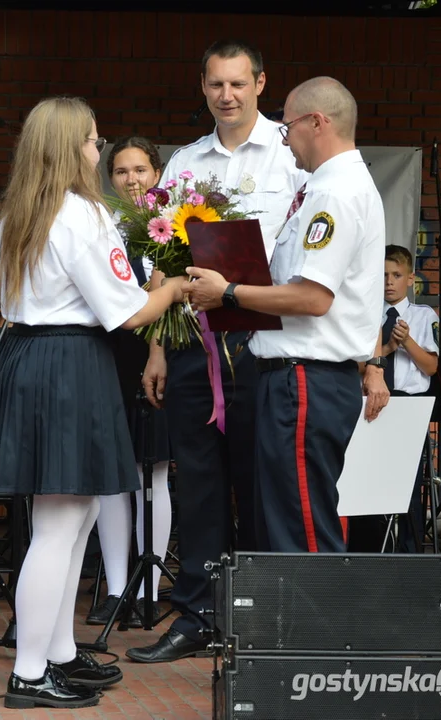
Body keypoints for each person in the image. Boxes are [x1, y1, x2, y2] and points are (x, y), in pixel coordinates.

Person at [0, 97, 183, 709]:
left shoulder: (21, 211)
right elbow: (128, 311)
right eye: (94, 143)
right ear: (72, 149)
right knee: (61, 524)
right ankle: (31, 671)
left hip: (32, 357)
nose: (100, 152)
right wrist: (172, 285)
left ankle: (59, 651)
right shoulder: (81, 214)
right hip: (68, 362)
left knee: (77, 517)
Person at [127, 39, 307, 665]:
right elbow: (160, 263)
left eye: (237, 84)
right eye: (214, 86)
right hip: (193, 346)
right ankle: (199, 614)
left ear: (261, 82)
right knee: (198, 481)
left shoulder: (293, 156)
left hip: (267, 345)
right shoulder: (184, 161)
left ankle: (259, 618)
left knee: (262, 481)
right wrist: (155, 350)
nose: (226, 96)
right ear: (201, 87)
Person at [183, 76, 390, 557]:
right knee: (283, 520)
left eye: (289, 127)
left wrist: (229, 291)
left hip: (306, 379)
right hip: (294, 378)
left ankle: (317, 633)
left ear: (317, 123)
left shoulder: (335, 193)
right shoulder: (325, 187)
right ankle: (295, 631)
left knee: (302, 527)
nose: (285, 138)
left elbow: (313, 298)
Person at [86, 136, 172, 629]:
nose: (132, 179)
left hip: (160, 349)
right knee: (113, 474)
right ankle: (117, 587)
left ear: (156, 173)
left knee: (155, 470)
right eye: (121, 171)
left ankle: (151, 588)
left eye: (140, 169)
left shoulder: (176, 225)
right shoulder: (102, 225)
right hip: (114, 352)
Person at [350, 244, 438, 552]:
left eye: (397, 275)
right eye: (384, 274)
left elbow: (431, 365)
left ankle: (408, 551)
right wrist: (385, 349)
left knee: (409, 484)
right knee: (366, 479)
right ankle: (366, 551)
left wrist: (406, 341)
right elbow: (357, 366)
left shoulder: (422, 315)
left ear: (411, 279)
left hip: (407, 404)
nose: (389, 281)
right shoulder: (366, 315)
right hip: (370, 401)